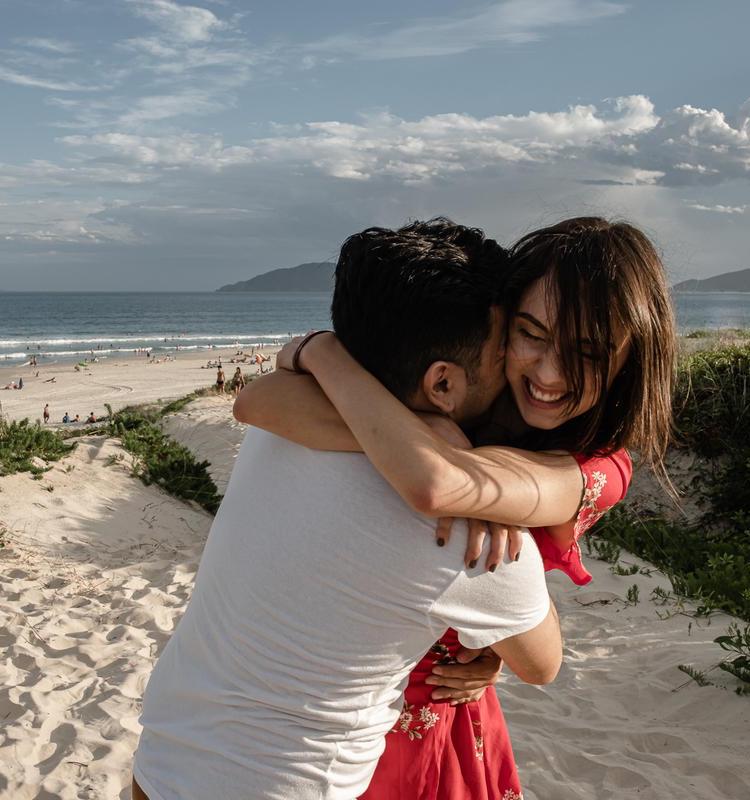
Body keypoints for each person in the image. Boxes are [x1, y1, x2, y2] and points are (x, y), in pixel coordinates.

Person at [235, 216, 676, 800]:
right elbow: (262, 400)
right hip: (342, 706)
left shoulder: (595, 468)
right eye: (531, 333)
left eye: (589, 353)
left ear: (629, 364)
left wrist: (328, 360)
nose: (549, 373)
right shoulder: (467, 390)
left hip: (440, 705)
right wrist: (434, 424)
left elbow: (443, 488)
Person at [132, 220, 574, 800]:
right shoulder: (468, 531)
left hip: (162, 762)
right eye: (504, 351)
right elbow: (542, 663)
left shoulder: (286, 423)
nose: (519, 367)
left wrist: (329, 358)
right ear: (442, 384)